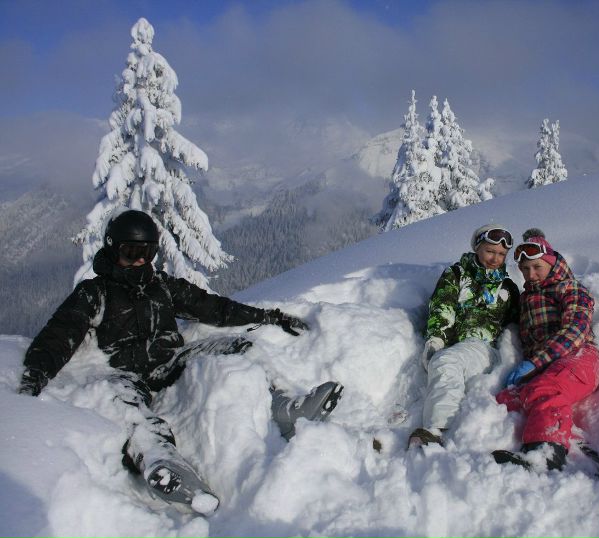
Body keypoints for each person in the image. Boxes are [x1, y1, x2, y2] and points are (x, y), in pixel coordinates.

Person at [17, 209, 343, 515]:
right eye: (131, 252)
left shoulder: (162, 286)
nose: (140, 260)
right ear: (114, 250)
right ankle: (162, 463)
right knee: (122, 401)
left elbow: (215, 308)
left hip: (171, 362)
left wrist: (269, 316)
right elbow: (60, 334)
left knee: (239, 345)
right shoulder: (95, 293)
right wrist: (36, 374)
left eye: (147, 252)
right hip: (127, 373)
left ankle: (285, 407)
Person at [493, 229, 599, 471]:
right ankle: (574, 445)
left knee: (545, 389)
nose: (530, 274)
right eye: (525, 269)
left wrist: (535, 362)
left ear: (552, 262)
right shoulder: (526, 299)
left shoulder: (570, 289)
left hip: (581, 357)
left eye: (537, 267)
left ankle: (544, 454)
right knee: (507, 400)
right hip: (548, 367)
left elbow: (575, 330)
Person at [408, 224, 520, 448]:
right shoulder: (457, 275)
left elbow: (515, 326)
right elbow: (443, 307)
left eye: (501, 254)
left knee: (447, 362)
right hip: (459, 347)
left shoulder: (508, 287)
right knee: (447, 360)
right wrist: (437, 339)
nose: (495, 258)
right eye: (490, 251)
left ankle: (439, 430)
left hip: (485, 348)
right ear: (477, 247)